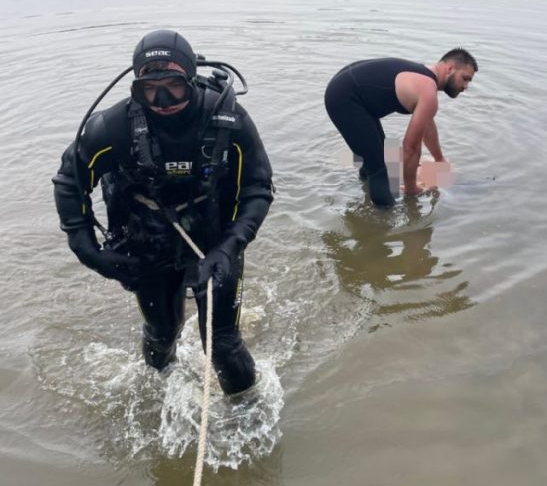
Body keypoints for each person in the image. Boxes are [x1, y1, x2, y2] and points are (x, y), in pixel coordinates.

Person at [52, 29, 273, 395]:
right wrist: (89, 251)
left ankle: (249, 422)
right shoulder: (113, 128)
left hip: (214, 237)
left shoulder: (227, 119)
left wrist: (230, 246)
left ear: (192, 79)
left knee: (223, 345)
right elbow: (69, 181)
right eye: (150, 89)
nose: (163, 99)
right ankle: (160, 394)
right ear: (135, 88)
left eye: (174, 85)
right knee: (160, 336)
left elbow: (258, 188)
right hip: (146, 237)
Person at [324, 49, 478, 208]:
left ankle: (365, 190)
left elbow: (428, 127)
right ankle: (382, 225)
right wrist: (412, 189)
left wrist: (439, 159)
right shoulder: (427, 90)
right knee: (381, 171)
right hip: (345, 98)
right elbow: (410, 148)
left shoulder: (424, 78)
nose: (466, 86)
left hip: (348, 92)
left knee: (375, 157)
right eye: (465, 78)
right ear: (450, 68)